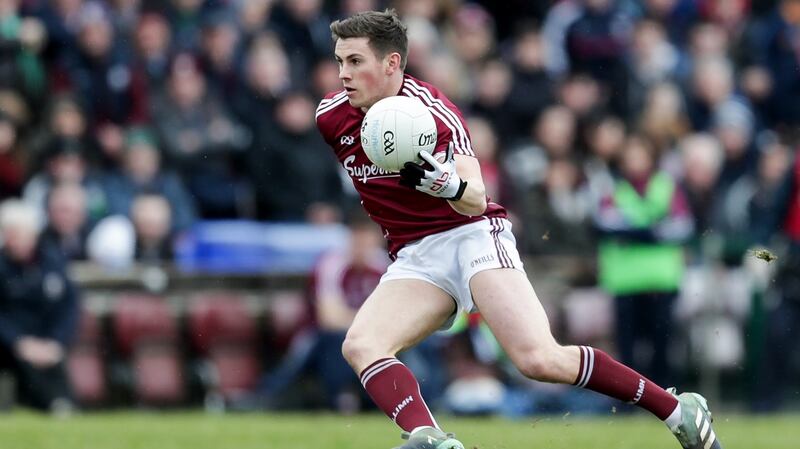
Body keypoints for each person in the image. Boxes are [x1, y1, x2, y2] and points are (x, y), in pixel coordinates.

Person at [314, 10, 722, 449]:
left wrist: (447, 184)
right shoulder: (330, 116)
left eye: (355, 61)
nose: (343, 74)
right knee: (362, 344)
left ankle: (677, 410)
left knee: (539, 359)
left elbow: (475, 197)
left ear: (392, 63)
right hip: (416, 254)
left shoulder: (433, 113)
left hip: (471, 236)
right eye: (340, 62)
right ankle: (430, 439)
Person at [0, 199, 80, 413]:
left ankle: (64, 403)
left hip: (46, 339)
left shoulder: (53, 261)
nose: (18, 240)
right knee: (27, 361)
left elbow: (68, 306)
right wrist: (18, 341)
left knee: (51, 359)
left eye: (22, 234)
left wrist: (56, 341)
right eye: (12, 234)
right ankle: (54, 404)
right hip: (9, 344)